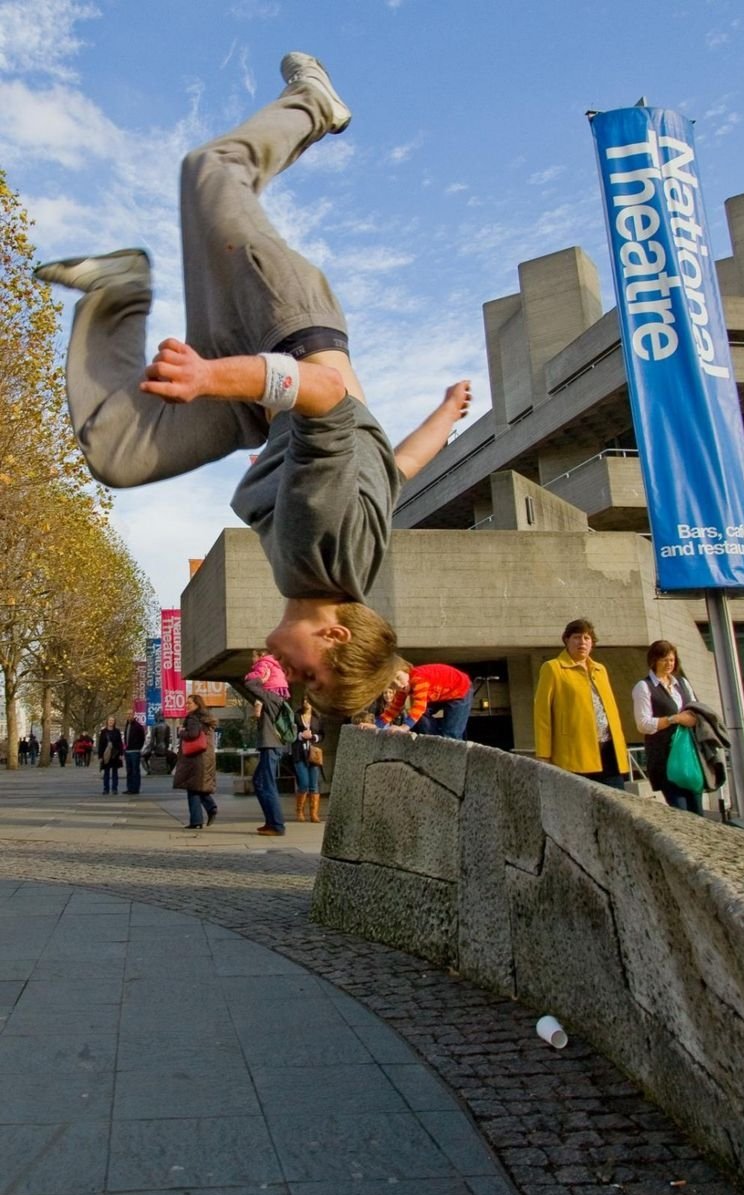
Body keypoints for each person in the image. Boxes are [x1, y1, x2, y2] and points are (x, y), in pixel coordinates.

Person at [34, 52, 471, 719]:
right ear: (334, 634)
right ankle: (314, 104)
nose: (289, 681)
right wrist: (208, 377)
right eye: (309, 678)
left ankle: (120, 288)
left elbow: (398, 465)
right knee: (209, 170)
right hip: (283, 329)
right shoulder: (317, 547)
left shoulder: (347, 564)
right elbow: (325, 391)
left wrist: (445, 413)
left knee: (118, 453)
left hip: (256, 400)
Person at [534, 618, 628, 791]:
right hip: (575, 754)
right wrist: (543, 755)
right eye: (577, 637)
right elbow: (542, 715)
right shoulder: (553, 668)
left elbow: (611, 710)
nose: (582, 642)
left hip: (608, 751)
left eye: (586, 638)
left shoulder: (600, 670)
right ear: (566, 640)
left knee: (617, 805)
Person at [632, 640, 702, 816]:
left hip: (689, 756)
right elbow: (643, 724)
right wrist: (674, 719)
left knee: (698, 812)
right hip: (665, 758)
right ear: (654, 660)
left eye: (671, 660)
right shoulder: (644, 687)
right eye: (664, 660)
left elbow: (695, 709)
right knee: (681, 812)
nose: (669, 664)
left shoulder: (682, 683)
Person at [374, 662, 474, 739]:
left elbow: (419, 706)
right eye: (393, 684)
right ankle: (433, 741)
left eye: (399, 678)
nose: (399, 685)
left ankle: (449, 749)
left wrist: (403, 727)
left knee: (451, 733)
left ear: (406, 671)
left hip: (460, 690)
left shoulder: (419, 678)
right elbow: (394, 708)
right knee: (420, 716)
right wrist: (375, 725)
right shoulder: (402, 688)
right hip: (440, 694)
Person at [247, 685, 291, 836]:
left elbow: (250, 683)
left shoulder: (272, 697)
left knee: (267, 784)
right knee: (259, 782)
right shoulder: (270, 699)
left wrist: (261, 678)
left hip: (271, 746)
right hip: (269, 746)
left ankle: (277, 825)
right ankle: (271, 822)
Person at [173, 693, 218, 829]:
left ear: (197, 704)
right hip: (205, 757)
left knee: (193, 788)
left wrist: (181, 732)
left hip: (195, 757)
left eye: (189, 703)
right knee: (197, 787)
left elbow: (192, 734)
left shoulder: (193, 718)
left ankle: (199, 818)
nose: (187, 705)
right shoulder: (205, 718)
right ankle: (208, 811)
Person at [291, 696, 324, 822]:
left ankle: (314, 814)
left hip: (313, 755)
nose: (307, 702)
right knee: (304, 782)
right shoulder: (296, 716)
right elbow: (290, 733)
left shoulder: (317, 717)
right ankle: (299, 811)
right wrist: (300, 735)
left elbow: (322, 734)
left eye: (309, 700)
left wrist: (314, 737)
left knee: (314, 785)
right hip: (299, 753)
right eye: (304, 700)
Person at [97, 716, 124, 795]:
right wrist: (100, 756)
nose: (111, 722)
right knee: (106, 772)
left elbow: (120, 743)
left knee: (115, 772)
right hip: (107, 754)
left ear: (114, 722)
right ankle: (106, 789)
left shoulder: (117, 731)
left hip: (115, 754)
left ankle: (114, 789)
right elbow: (101, 744)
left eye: (112, 720)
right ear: (107, 722)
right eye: (110, 720)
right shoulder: (103, 732)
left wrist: (121, 754)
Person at [123, 711, 146, 794]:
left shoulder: (138, 726)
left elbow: (142, 738)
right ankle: (129, 788)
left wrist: (138, 747)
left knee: (135, 771)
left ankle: (135, 789)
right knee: (129, 771)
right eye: (127, 714)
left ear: (133, 715)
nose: (129, 715)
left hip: (135, 751)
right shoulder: (127, 725)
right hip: (127, 751)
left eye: (130, 714)